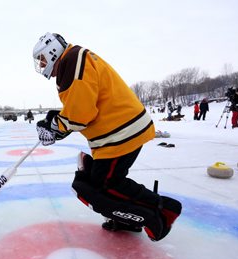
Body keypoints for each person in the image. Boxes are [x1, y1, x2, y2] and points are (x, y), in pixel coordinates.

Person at [32, 32, 181, 241]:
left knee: (102, 189)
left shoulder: (71, 63)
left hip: (120, 133)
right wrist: (55, 122)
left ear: (53, 51)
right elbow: (82, 104)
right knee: (102, 183)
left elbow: (80, 115)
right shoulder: (74, 59)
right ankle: (129, 218)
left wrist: (55, 128)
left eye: (43, 59)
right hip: (118, 132)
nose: (42, 64)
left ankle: (164, 211)